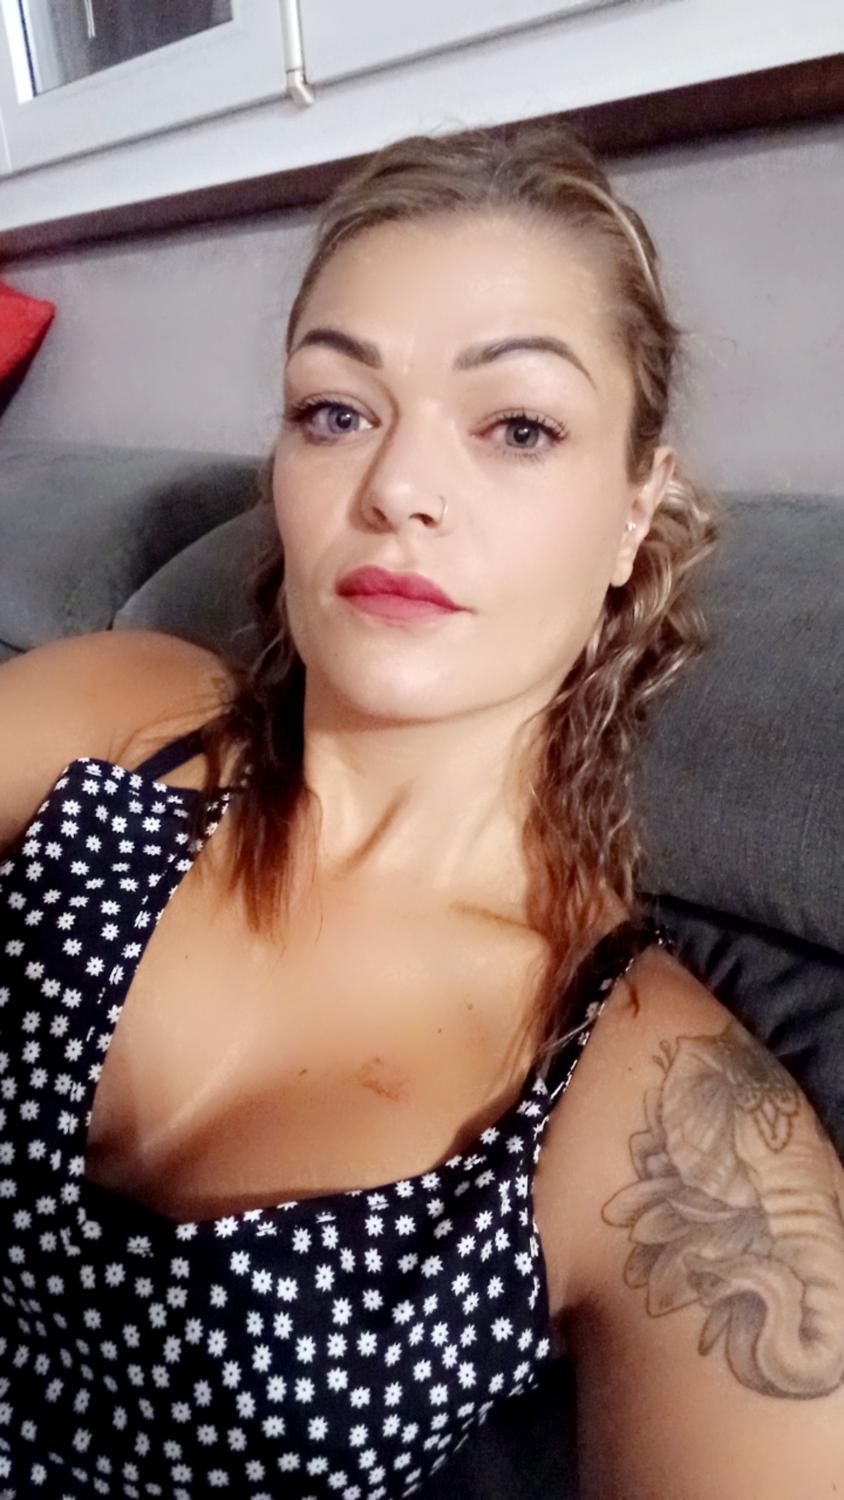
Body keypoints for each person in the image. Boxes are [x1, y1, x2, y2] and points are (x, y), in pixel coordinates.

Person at [1, 121, 842, 1500]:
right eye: (336, 412)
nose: (395, 490)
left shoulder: (659, 1115)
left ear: (636, 513)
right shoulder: (120, 717)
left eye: (518, 428)